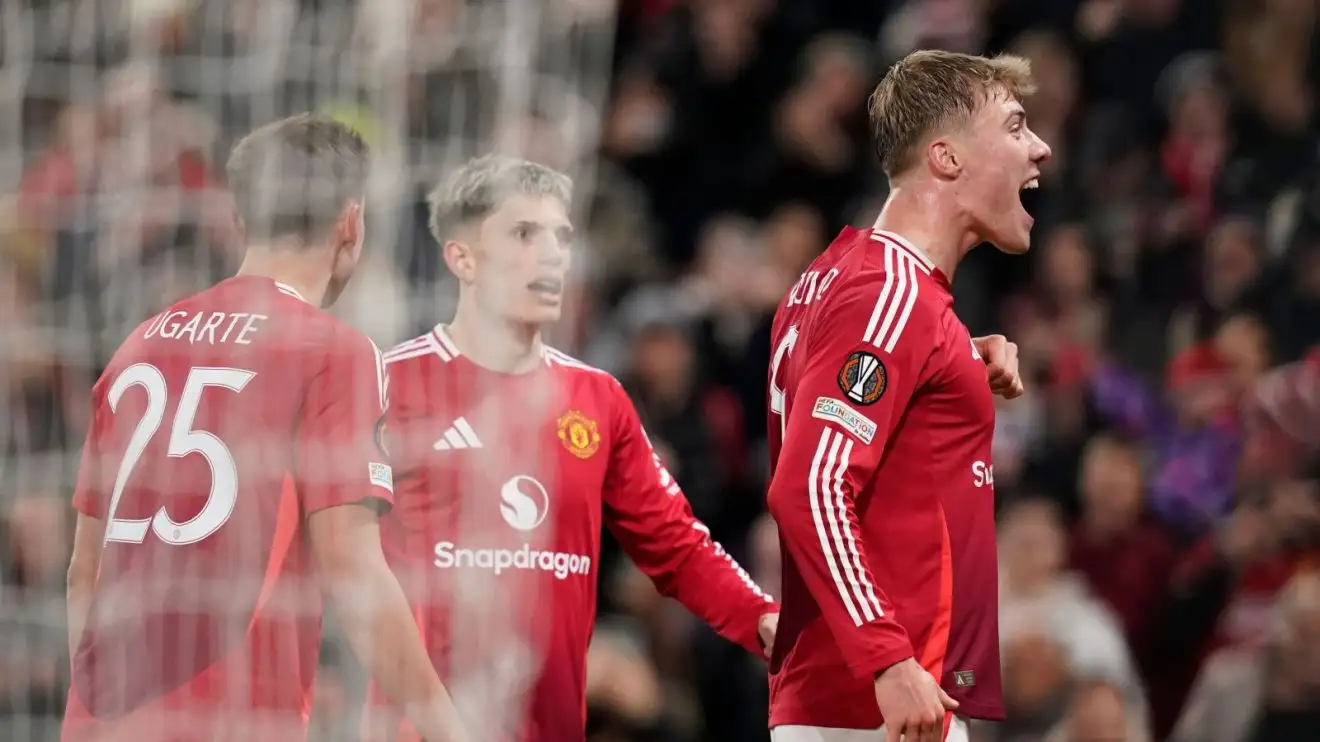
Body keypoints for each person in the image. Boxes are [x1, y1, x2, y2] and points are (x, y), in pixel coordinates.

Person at [62, 113, 467, 742]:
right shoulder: (333, 352)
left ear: (240, 220)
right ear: (351, 222)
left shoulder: (138, 346)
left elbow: (83, 571)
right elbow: (353, 571)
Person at [366, 154, 779, 742]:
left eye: (560, 237)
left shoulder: (598, 399)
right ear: (461, 258)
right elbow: (332, 555)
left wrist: (760, 617)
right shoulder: (389, 384)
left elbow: (677, 545)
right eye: (524, 234)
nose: (554, 256)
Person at [763, 49, 1050, 742]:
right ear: (947, 159)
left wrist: (958, 359)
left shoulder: (849, 280)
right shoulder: (889, 296)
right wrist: (887, 659)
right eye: (1015, 127)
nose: (1040, 148)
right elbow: (811, 485)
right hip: (873, 707)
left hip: (870, 702)